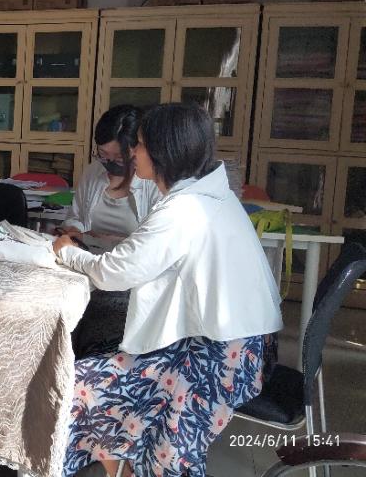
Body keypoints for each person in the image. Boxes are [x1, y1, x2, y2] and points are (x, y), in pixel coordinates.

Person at [52, 103, 282, 477]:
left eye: (140, 145)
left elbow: (115, 272)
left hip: (222, 357)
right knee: (94, 377)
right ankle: (127, 466)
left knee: (83, 388)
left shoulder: (184, 208)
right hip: (229, 344)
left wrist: (67, 252)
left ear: (164, 152)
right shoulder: (208, 195)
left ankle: (133, 465)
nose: (133, 153)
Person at [58, 105, 162, 358]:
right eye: (103, 154)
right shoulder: (94, 172)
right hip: (86, 266)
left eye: (118, 157)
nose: (109, 163)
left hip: (127, 279)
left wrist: (113, 240)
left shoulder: (153, 183)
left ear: (137, 150)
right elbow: (77, 216)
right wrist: (76, 230)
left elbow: (153, 248)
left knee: (97, 329)